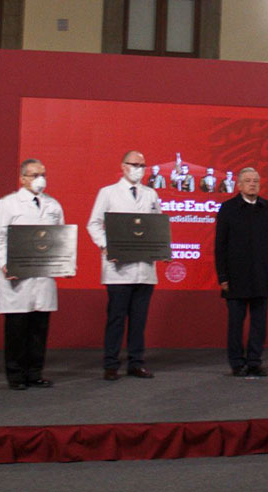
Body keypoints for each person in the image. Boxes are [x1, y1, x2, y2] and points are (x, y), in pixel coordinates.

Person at [0, 159, 65, 390]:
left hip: (43, 276)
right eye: (34, 174)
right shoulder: (8, 204)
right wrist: (4, 263)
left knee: (39, 329)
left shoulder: (53, 205)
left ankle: (35, 373)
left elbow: (60, 239)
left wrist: (64, 264)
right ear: (22, 178)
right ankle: (16, 375)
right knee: (17, 329)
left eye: (43, 174)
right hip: (17, 277)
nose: (40, 178)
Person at [86, 151, 161, 381]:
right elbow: (94, 223)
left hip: (144, 268)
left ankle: (136, 363)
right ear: (123, 166)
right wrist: (106, 246)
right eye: (134, 164)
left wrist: (161, 248)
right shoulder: (108, 193)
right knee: (116, 319)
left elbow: (157, 225)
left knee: (139, 320)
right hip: (118, 268)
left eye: (142, 165)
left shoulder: (151, 194)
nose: (138, 168)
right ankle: (111, 364)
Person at [214, 167, 268, 377]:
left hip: (262, 275)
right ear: (239, 185)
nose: (252, 184)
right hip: (235, 277)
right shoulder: (227, 208)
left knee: (259, 323)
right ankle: (236, 363)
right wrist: (222, 276)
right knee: (236, 323)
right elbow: (220, 246)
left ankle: (254, 361)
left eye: (255, 181)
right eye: (248, 180)